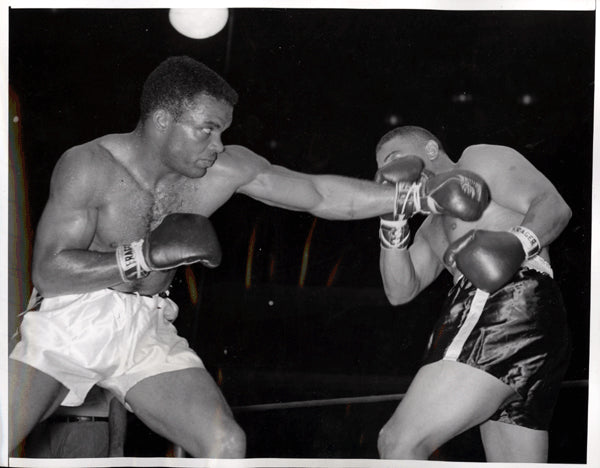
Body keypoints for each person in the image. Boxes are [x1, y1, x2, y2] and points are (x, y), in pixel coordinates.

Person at [9, 55, 426, 459]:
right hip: (70, 319)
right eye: (206, 130)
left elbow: (318, 194)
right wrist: (144, 256)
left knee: (225, 443)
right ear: (162, 121)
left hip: (146, 325)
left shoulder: (223, 169)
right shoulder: (90, 165)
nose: (217, 145)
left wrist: (419, 197)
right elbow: (49, 272)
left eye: (222, 131)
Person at [373, 125, 572, 462]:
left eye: (395, 159)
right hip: (534, 326)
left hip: (503, 302)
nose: (391, 173)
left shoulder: (478, 159)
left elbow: (553, 206)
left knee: (397, 442)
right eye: (383, 170)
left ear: (432, 150)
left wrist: (514, 244)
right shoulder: (431, 226)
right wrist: (391, 221)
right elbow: (399, 291)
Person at [23, 386, 127, 458]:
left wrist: (116, 449)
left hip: (87, 429)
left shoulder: (101, 359)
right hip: (47, 426)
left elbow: (116, 400)